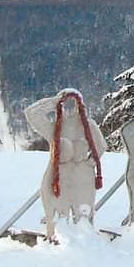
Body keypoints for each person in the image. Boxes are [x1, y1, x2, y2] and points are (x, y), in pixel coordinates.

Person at [24, 89, 106, 241]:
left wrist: (92, 160)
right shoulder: (55, 127)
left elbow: (101, 145)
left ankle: (85, 242)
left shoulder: (89, 126)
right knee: (58, 217)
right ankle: (59, 241)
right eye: (66, 103)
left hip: (83, 179)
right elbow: (32, 114)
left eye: (74, 103)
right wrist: (54, 101)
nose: (70, 107)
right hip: (59, 179)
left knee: (83, 216)